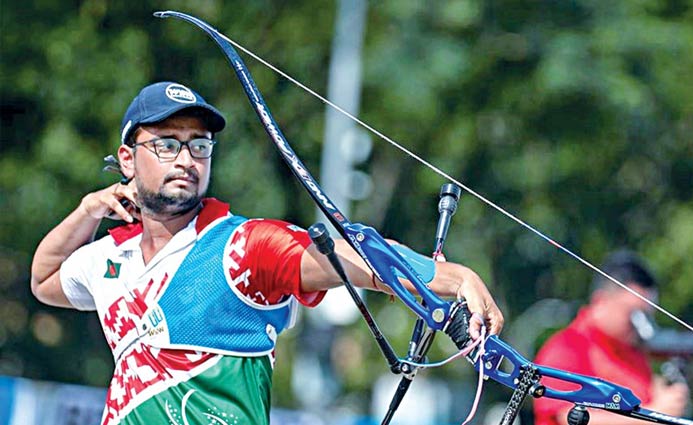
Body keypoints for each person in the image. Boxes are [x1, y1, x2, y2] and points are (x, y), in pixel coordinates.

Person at [29, 81, 504, 425]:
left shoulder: (242, 246)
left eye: (199, 145)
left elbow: (350, 257)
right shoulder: (111, 256)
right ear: (128, 158)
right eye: (167, 144)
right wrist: (88, 210)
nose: (186, 159)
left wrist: (451, 278)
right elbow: (45, 281)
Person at [533, 250, 689, 425]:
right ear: (600, 301)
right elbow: (570, 418)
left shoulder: (633, 352)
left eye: (647, 315)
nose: (641, 325)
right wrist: (654, 415)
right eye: (634, 314)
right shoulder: (566, 348)